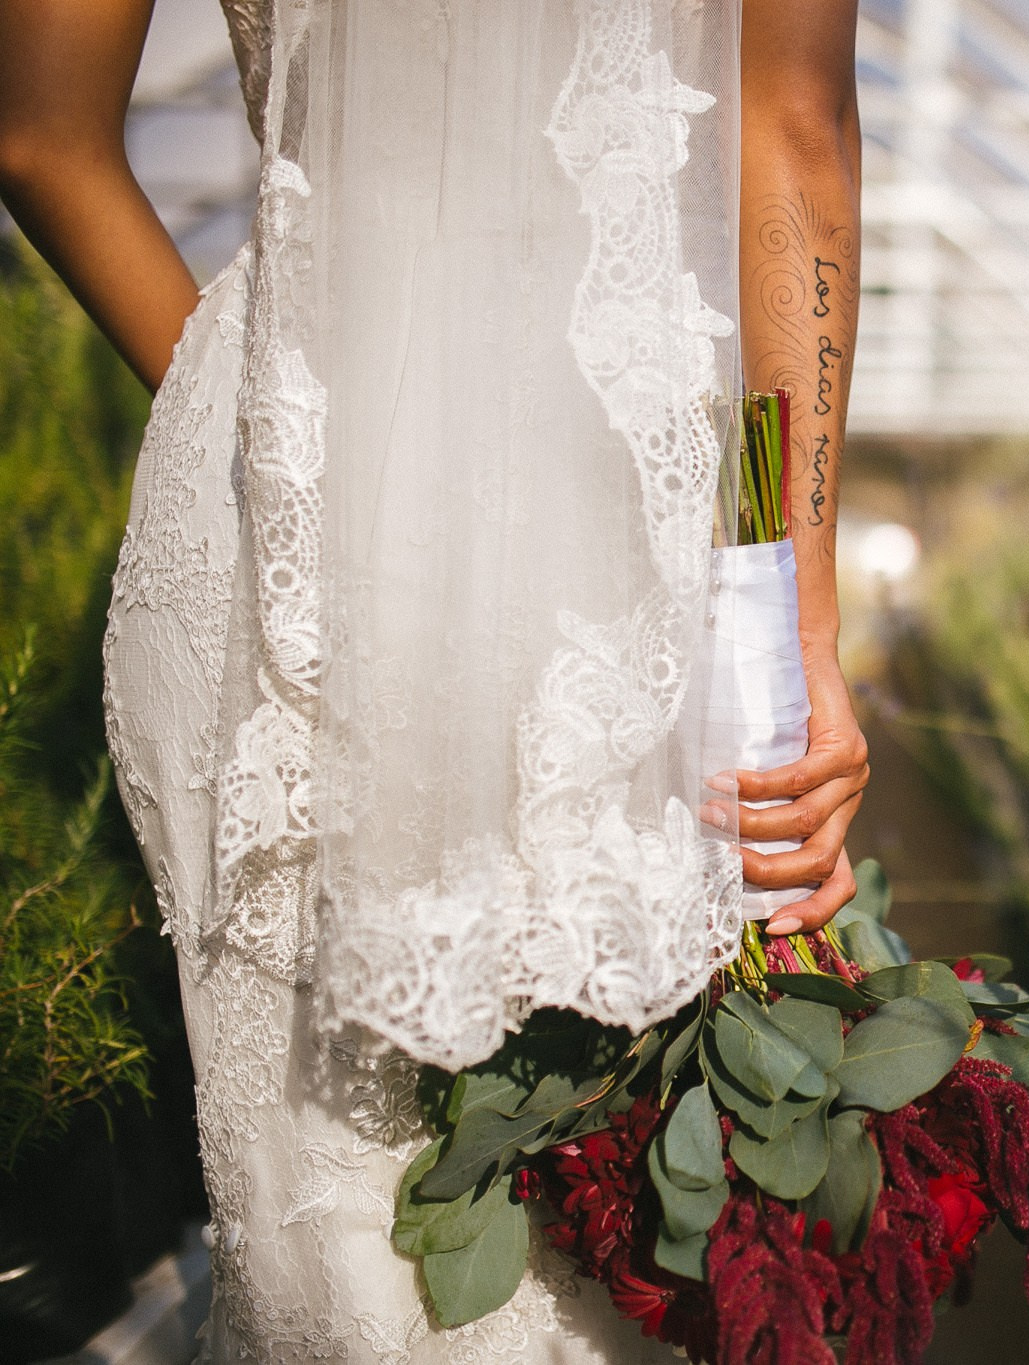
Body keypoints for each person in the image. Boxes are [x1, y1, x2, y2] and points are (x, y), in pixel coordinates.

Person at [0, 0, 868, 1358]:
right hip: (611, 518)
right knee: (621, 1248)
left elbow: (38, 130)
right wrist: (795, 626)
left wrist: (270, 436)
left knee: (337, 1268)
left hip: (285, 511)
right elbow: (792, 128)